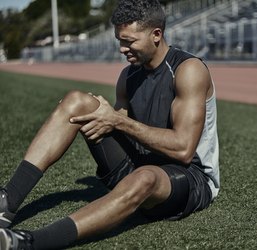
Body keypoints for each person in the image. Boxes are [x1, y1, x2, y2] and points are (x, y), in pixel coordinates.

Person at [0, 0, 220, 249]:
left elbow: (183, 149)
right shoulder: (128, 75)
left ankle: (27, 242)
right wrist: (95, 116)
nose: (122, 49)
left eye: (129, 41)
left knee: (144, 178)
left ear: (156, 34)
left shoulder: (188, 70)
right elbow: (117, 126)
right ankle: (6, 203)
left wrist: (117, 120)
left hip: (188, 178)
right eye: (119, 40)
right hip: (140, 162)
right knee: (76, 102)